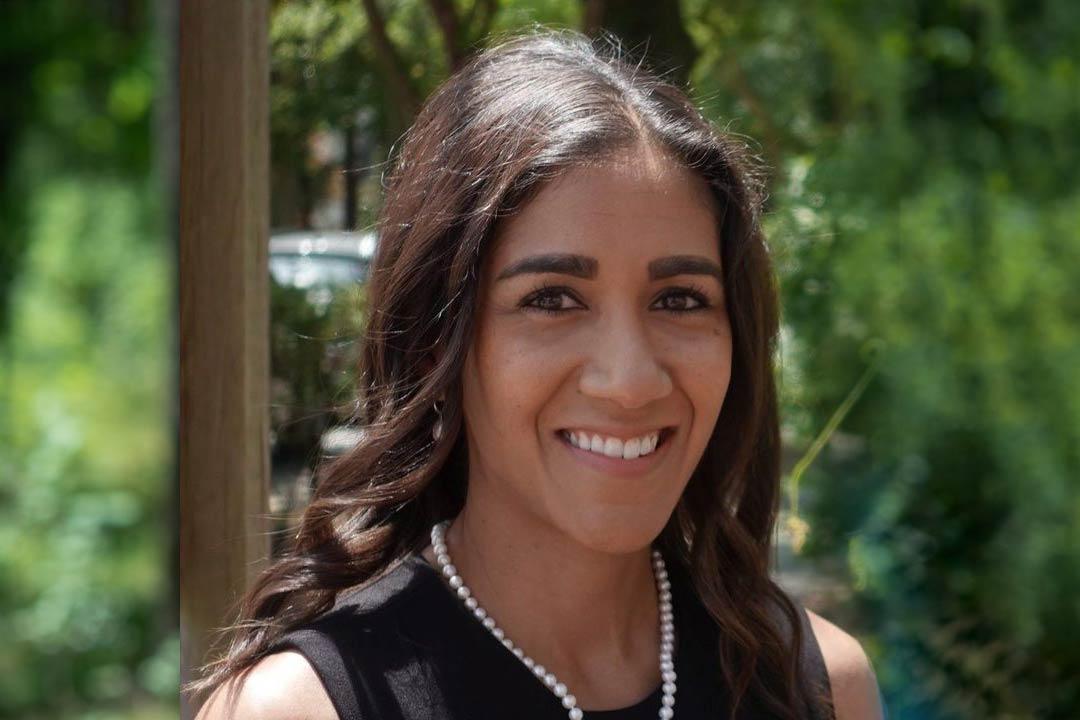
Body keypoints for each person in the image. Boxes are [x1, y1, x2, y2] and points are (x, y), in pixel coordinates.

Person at [189, 30, 884, 720]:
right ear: (438, 341)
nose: (630, 380)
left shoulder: (817, 687)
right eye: (551, 299)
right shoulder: (304, 707)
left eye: (679, 300)